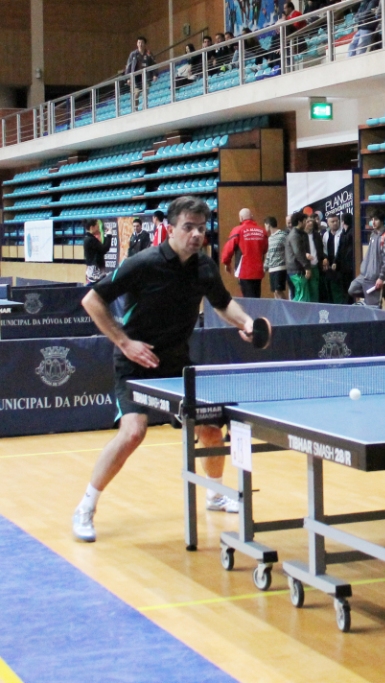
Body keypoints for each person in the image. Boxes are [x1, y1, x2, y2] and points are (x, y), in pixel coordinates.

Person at [72, 196, 258, 543]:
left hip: (176, 363)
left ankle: (215, 494)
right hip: (135, 362)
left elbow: (222, 304)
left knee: (210, 426)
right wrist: (124, 342)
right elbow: (92, 301)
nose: (196, 235)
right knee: (133, 433)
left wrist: (246, 322)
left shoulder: (203, 266)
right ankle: (86, 506)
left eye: (201, 228)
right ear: (170, 229)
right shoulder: (142, 263)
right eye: (188, 227)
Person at [349, 207, 385, 307]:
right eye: (372, 219)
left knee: (374, 307)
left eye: (376, 219)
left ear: (382, 221)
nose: (373, 222)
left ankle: (369, 303)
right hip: (365, 275)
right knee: (352, 289)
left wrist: (381, 278)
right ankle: (365, 301)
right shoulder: (373, 235)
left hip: (375, 277)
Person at [220, 208, 269, 298]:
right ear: (252, 217)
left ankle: (250, 312)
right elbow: (265, 249)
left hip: (244, 270)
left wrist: (226, 263)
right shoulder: (262, 231)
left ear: (241, 218)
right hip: (258, 270)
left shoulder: (238, 230)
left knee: (247, 298)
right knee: (256, 296)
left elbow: (228, 249)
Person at [322, 214, 354, 304]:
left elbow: (341, 249)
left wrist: (337, 261)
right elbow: (324, 249)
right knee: (331, 288)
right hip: (330, 265)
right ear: (328, 223)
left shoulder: (343, 233)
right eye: (332, 221)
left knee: (342, 288)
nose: (335, 223)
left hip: (342, 266)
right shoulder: (326, 235)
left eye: (336, 221)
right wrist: (325, 259)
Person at [285, 212, 315, 302]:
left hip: (297, 269)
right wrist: (307, 267)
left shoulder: (299, 234)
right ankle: (298, 314)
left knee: (300, 294)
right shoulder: (294, 235)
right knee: (303, 296)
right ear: (300, 222)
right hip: (297, 270)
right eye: (305, 221)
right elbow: (298, 252)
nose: (306, 223)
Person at [123, 36, 155, 109]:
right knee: (136, 94)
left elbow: (153, 64)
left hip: (145, 76)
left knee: (145, 92)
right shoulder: (133, 54)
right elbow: (128, 66)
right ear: (137, 44)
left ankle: (145, 107)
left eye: (142, 43)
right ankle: (135, 109)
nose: (140, 44)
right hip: (136, 78)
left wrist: (154, 74)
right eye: (139, 42)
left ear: (144, 44)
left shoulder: (148, 53)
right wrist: (128, 78)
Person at [263, 216, 289, 299]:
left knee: (279, 291)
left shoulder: (282, 235)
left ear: (268, 225)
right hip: (272, 268)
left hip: (280, 267)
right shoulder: (269, 238)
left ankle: (286, 308)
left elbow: (289, 249)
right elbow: (268, 254)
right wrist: (265, 267)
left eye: (265, 225)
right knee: (275, 292)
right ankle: (279, 309)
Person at [83, 219, 113, 285]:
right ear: (92, 227)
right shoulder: (90, 240)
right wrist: (109, 236)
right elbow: (104, 249)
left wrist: (106, 236)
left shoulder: (89, 238)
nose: (99, 228)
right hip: (95, 272)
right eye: (97, 226)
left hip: (95, 270)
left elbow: (101, 248)